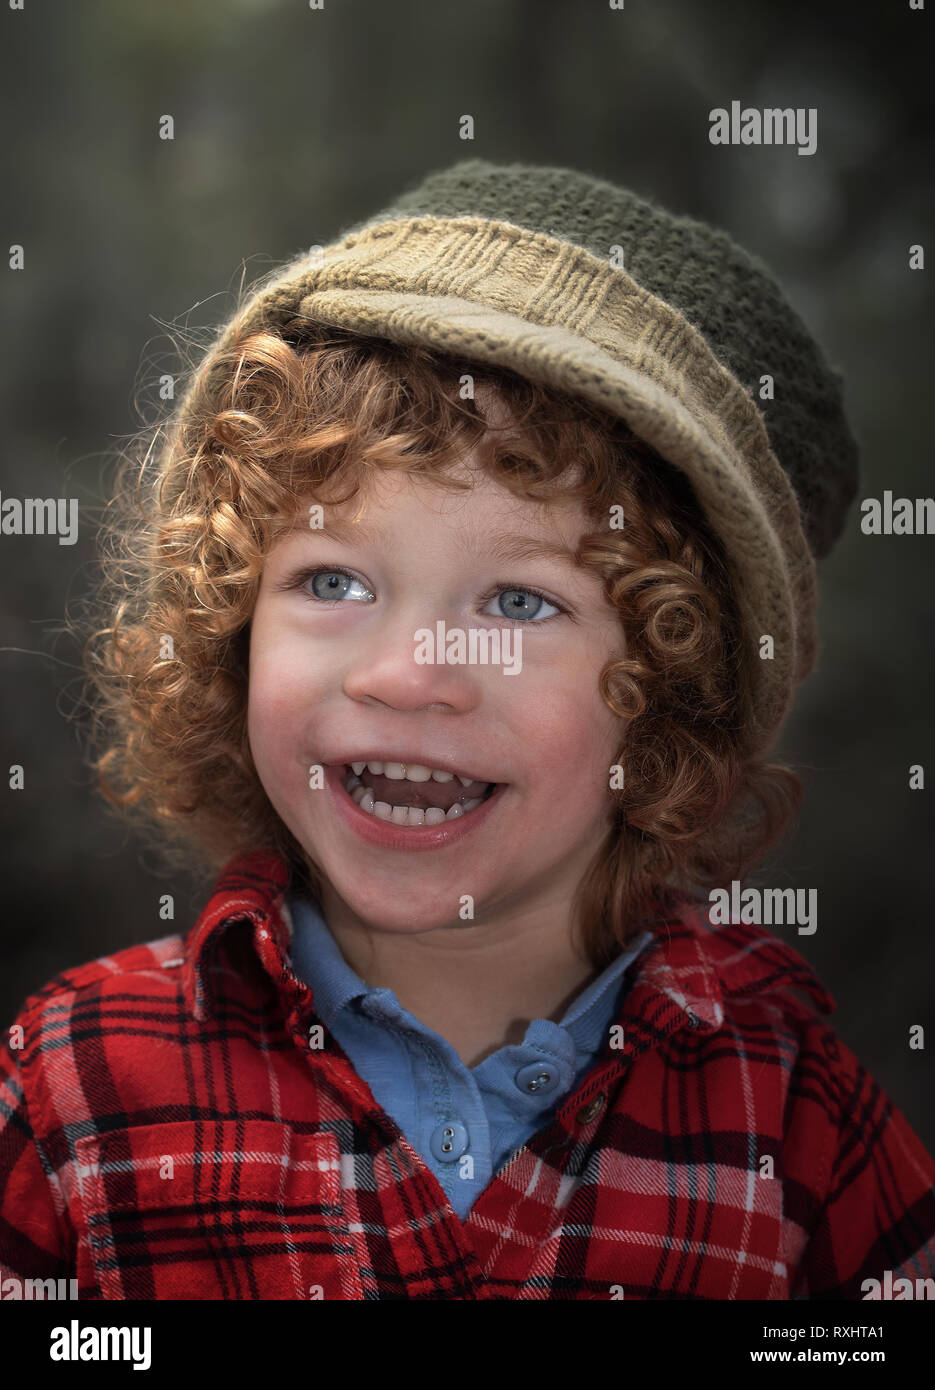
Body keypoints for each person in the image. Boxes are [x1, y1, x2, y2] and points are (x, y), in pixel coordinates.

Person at [2, 159, 933, 1301]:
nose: (407, 677)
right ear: (232, 625)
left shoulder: (794, 1124)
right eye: (334, 580)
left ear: (674, 689)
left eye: (518, 602)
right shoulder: (76, 1088)